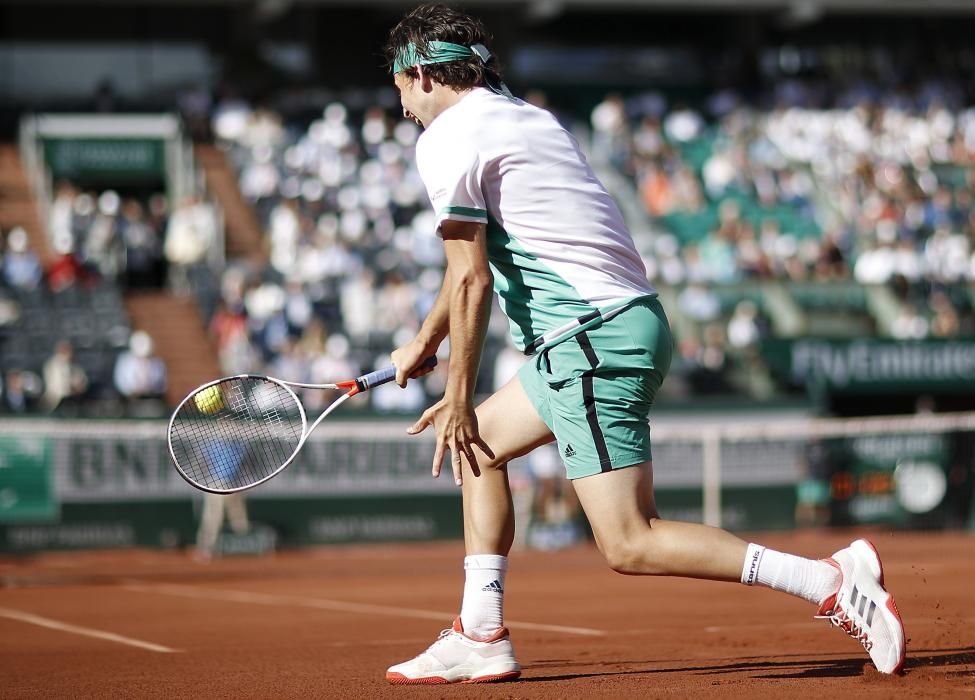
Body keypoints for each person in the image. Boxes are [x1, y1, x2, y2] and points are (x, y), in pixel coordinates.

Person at [382, 3, 906, 685]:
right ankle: (480, 634)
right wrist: (425, 341)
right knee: (476, 444)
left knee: (629, 541)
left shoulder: (447, 136)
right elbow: (481, 264)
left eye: (398, 89)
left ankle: (828, 581)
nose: (401, 108)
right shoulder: (524, 117)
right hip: (610, 327)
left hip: (590, 339)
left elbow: (470, 278)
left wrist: (452, 392)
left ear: (421, 74)